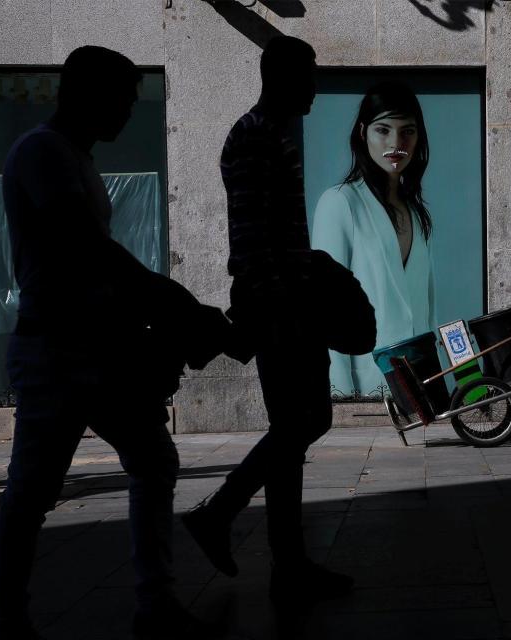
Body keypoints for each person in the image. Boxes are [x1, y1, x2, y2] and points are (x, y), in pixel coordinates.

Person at [0, 46, 230, 640]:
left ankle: (152, 603)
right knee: (32, 492)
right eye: (122, 98)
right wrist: (170, 301)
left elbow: (92, 263)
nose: (127, 111)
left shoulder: (73, 158)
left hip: (90, 347)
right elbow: (86, 251)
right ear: (87, 94)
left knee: (149, 461)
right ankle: (9, 620)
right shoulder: (43, 154)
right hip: (56, 351)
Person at [182, 35, 369, 612]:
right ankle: (220, 515)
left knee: (297, 425)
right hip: (280, 302)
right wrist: (281, 305)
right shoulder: (258, 137)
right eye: (309, 77)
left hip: (285, 297)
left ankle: (288, 564)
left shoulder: (268, 134)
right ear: (285, 77)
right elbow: (256, 236)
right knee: (305, 420)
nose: (316, 88)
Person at [311, 81, 435, 398]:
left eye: (407, 131)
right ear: (363, 132)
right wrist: (339, 389)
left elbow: (425, 304)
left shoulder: (416, 212)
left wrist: (435, 376)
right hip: (365, 384)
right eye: (383, 130)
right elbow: (325, 304)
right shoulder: (340, 203)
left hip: (418, 383)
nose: (396, 142)